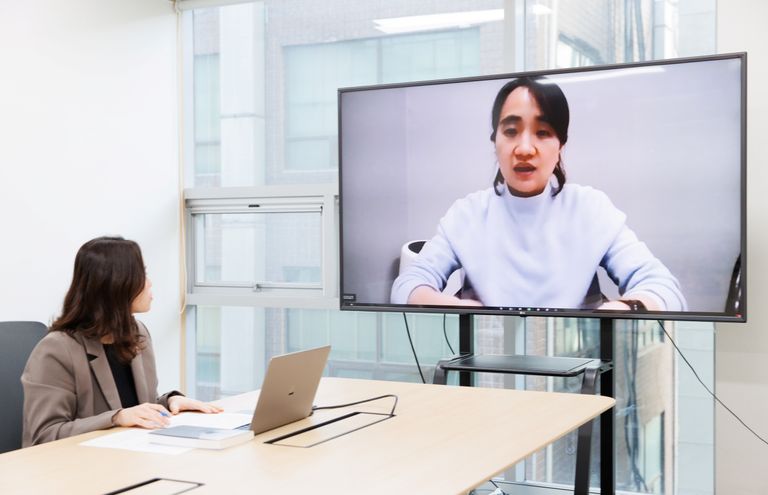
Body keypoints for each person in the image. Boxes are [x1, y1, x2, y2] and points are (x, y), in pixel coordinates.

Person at [391, 76, 687, 312]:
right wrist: (457, 307)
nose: (524, 149)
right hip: (487, 358)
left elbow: (664, 288)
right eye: (510, 131)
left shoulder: (590, 209)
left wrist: (619, 310)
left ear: (560, 145)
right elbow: (407, 285)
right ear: (495, 140)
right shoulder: (467, 213)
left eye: (543, 132)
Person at [22, 236, 223, 446]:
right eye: (142, 274)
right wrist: (116, 418)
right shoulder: (56, 349)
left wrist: (171, 401)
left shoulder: (137, 333)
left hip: (129, 456)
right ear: (118, 283)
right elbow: (44, 435)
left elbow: (136, 406)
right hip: (77, 468)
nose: (150, 283)